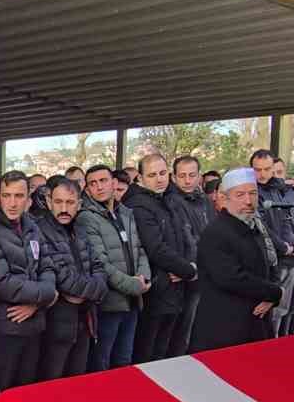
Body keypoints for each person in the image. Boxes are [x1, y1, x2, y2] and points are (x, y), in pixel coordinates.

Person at [190, 169, 283, 353]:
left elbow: (268, 264)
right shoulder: (216, 232)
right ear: (224, 198)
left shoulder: (253, 226)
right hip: (226, 327)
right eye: (240, 195)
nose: (248, 201)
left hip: (255, 320)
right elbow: (230, 277)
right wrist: (274, 292)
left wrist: (271, 295)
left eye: (253, 193)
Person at [122, 152, 196, 363]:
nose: (159, 178)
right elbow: (155, 248)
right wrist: (188, 270)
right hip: (156, 289)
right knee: (148, 352)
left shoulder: (169, 200)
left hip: (176, 285)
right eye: (152, 174)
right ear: (141, 178)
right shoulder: (139, 205)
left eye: (163, 173)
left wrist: (186, 270)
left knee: (165, 350)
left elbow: (184, 239)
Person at [78, 165, 150, 371]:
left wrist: (144, 277)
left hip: (133, 301)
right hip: (108, 303)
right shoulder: (86, 217)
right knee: (102, 362)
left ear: (114, 183)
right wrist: (132, 285)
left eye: (103, 181)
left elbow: (139, 248)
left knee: (124, 360)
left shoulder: (126, 213)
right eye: (93, 183)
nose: (99, 187)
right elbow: (99, 262)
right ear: (88, 189)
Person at [34, 178, 107, 381]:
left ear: (79, 204)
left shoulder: (80, 229)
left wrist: (90, 292)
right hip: (56, 324)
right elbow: (62, 277)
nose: (64, 208)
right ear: (49, 202)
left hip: (84, 320)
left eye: (70, 202)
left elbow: (99, 267)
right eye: (58, 202)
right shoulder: (39, 229)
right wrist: (93, 289)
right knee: (51, 383)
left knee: (77, 381)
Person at [0, 172, 57, 388]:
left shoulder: (32, 225)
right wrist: (47, 295)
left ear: (28, 198)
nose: (12, 203)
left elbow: (47, 265)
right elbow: (1, 283)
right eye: (6, 195)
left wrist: (36, 303)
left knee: (28, 388)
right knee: (4, 390)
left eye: (18, 196)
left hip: (35, 323)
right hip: (7, 326)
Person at [250, 150, 294, 335]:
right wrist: (282, 246)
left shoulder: (283, 191)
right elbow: (260, 225)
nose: (262, 174)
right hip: (269, 260)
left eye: (267, 169)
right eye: (257, 169)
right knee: (266, 309)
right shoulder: (251, 191)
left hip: (291, 258)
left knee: (283, 308)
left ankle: (276, 340)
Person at [167, 156, 214, 356]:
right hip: (185, 276)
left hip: (206, 274)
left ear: (199, 177)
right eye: (182, 176)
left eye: (192, 175)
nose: (187, 180)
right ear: (174, 177)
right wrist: (192, 268)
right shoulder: (171, 202)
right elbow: (184, 239)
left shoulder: (204, 201)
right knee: (182, 332)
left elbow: (212, 235)